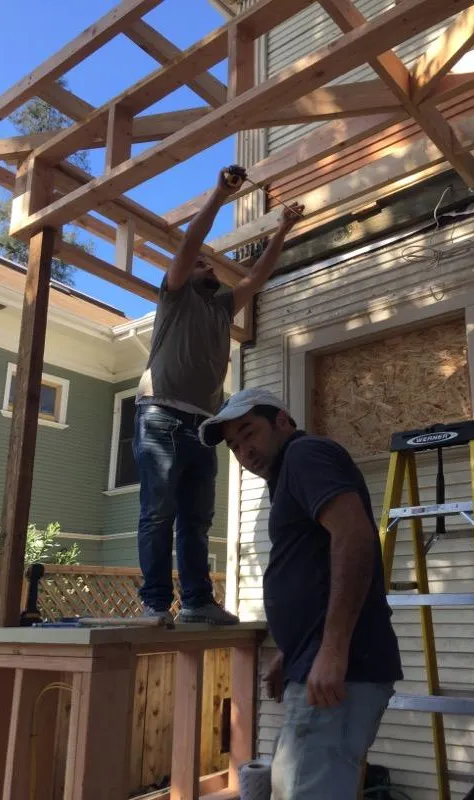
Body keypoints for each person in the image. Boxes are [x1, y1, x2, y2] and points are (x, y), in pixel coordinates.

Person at [199, 388, 403, 798]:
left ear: (282, 422)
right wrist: (292, 652)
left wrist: (331, 650)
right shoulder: (289, 472)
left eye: (248, 432)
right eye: (234, 445)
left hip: (340, 668)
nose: (245, 451)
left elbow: (355, 538)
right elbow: (317, 566)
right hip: (316, 661)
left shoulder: (305, 455)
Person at [133, 166, 304, 625]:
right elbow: (191, 244)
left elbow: (258, 276)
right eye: (203, 264)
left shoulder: (221, 308)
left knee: (196, 521)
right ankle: (152, 604)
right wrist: (219, 193)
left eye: (211, 264)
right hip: (161, 417)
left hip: (204, 426)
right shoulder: (175, 297)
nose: (209, 265)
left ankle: (195, 602)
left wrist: (283, 229)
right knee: (157, 514)